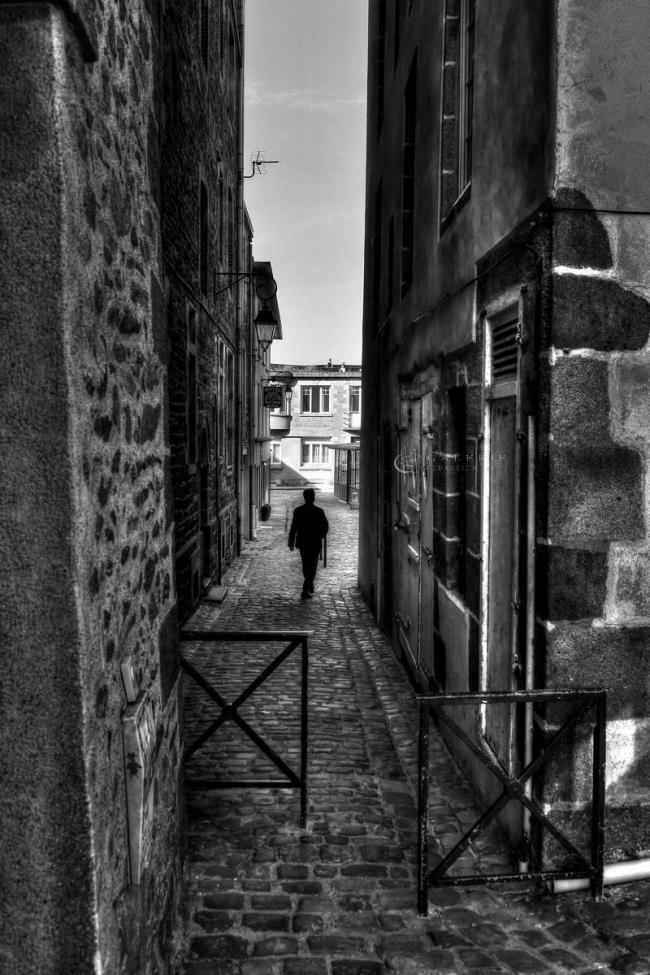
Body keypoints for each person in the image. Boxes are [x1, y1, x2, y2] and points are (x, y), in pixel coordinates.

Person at [288, 488, 329, 600]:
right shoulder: (319, 511)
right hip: (315, 542)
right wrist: (321, 534)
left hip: (303, 542)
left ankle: (307, 587)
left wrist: (291, 542)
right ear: (313, 497)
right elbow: (325, 526)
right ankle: (307, 587)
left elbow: (293, 528)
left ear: (304, 497)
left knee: (306, 566)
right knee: (312, 567)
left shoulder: (298, 511)